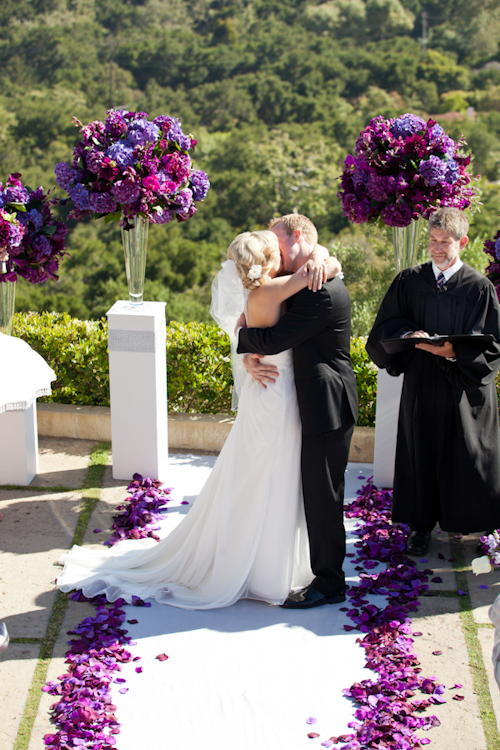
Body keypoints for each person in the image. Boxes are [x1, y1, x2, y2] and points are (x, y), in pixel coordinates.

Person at [57, 230, 341, 609]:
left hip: (270, 394)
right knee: (272, 476)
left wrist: (245, 345)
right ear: (268, 262)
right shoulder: (273, 291)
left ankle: (261, 560)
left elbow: (252, 326)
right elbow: (320, 271)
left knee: (264, 476)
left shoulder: (258, 292)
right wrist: (323, 257)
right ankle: (264, 569)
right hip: (279, 395)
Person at [237, 214, 358, 609]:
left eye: (278, 243)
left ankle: (329, 583)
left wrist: (242, 339)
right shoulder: (309, 276)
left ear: (299, 236)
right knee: (316, 492)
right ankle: (319, 573)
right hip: (313, 399)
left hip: (327, 404)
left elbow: (274, 338)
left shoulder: (319, 290)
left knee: (324, 497)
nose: (274, 252)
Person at [366, 207, 500, 556]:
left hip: (461, 389)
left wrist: (454, 353)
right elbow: (383, 329)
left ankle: (475, 524)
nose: (437, 248)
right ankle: (420, 527)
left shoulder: (479, 288)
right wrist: (410, 334)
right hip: (423, 384)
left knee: (466, 455)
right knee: (420, 453)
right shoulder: (410, 281)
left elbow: (493, 344)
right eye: (432, 240)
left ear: (463, 242)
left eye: (445, 242)